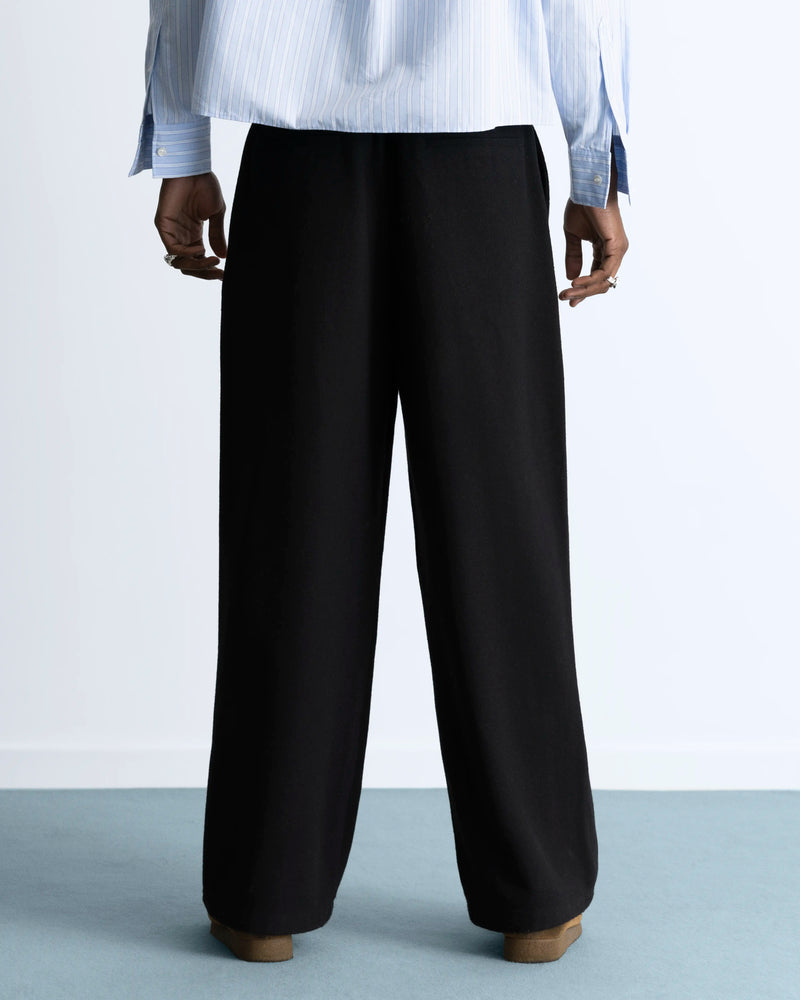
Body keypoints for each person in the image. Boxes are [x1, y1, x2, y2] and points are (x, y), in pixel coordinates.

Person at [129, 0, 630, 966]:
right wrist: (593, 164)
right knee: (503, 530)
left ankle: (263, 893)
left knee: (291, 528)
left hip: (299, 160)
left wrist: (183, 144)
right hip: (479, 153)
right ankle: (534, 893)